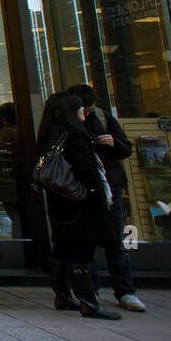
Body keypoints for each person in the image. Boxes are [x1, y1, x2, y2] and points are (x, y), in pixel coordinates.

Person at [37, 90, 120, 320]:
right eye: (79, 107)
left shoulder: (49, 136)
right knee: (82, 249)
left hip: (59, 201)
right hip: (82, 200)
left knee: (63, 246)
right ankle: (88, 302)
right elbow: (87, 171)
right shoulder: (75, 136)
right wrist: (98, 198)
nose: (83, 110)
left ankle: (63, 296)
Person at [69, 84, 145, 312]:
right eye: (84, 109)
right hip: (82, 190)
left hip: (110, 188)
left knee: (115, 242)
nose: (88, 113)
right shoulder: (69, 124)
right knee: (86, 244)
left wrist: (113, 143)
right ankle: (90, 291)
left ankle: (126, 292)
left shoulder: (104, 118)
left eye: (90, 109)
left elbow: (125, 148)